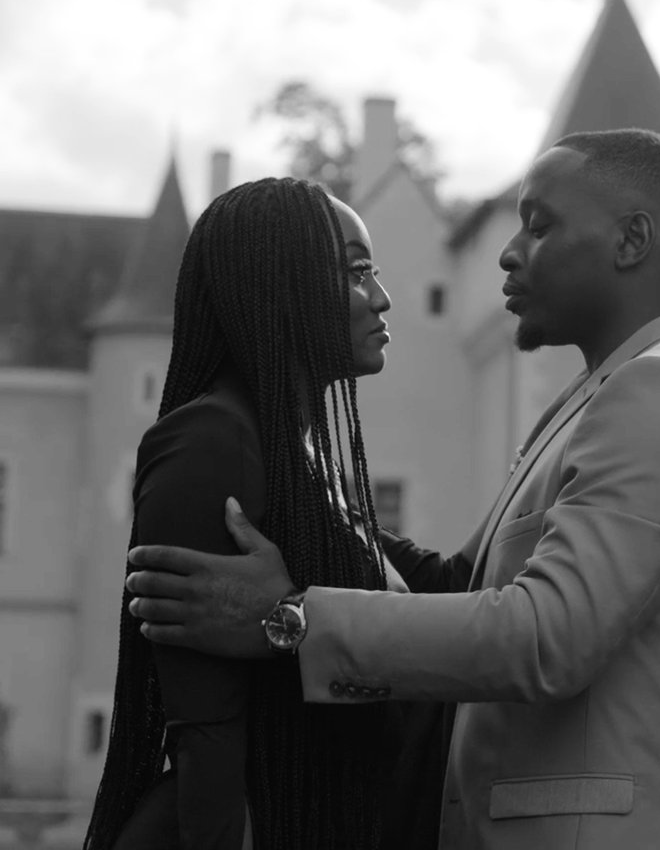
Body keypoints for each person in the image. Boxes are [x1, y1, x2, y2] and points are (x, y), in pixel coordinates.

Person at [124, 128, 660, 850]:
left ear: (631, 241)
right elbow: (460, 583)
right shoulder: (598, 400)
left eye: (541, 224)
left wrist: (289, 620)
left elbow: (548, 635)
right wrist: (307, 502)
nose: (507, 250)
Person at [83, 177, 451, 850]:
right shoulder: (212, 443)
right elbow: (207, 741)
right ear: (285, 288)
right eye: (357, 273)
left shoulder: (303, 461)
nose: (382, 297)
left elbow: (452, 588)